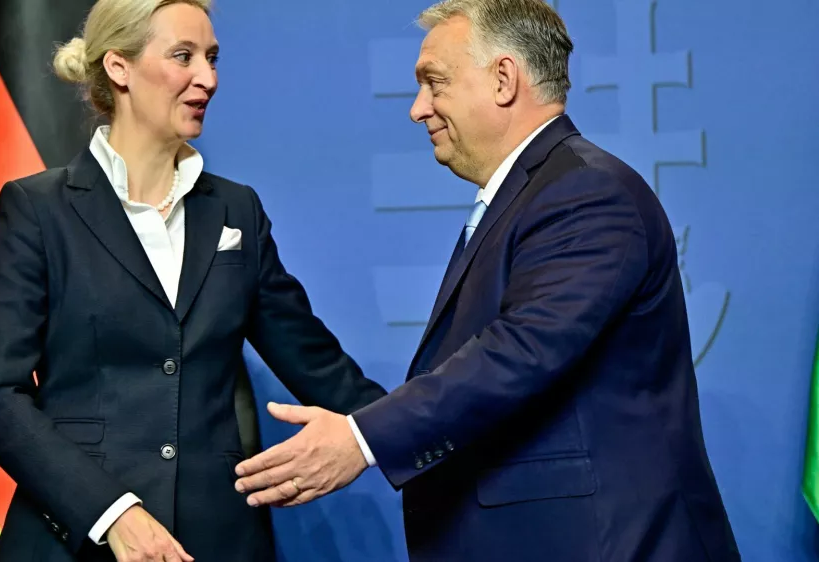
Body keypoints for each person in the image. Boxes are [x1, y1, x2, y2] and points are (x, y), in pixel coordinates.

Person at [232, 0, 742, 560]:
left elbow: (520, 351)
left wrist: (362, 438)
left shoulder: (588, 194)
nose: (417, 109)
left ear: (503, 79)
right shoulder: (539, 192)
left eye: (434, 82)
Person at [0, 1, 386, 561]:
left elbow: (321, 368)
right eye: (183, 56)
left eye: (211, 58)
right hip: (74, 541)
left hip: (216, 541)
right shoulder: (38, 210)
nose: (207, 78)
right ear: (119, 68)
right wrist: (111, 512)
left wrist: (409, 432)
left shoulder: (237, 210)